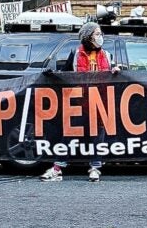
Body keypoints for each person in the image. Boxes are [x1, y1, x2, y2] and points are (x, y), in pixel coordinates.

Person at [40, 22, 120, 182]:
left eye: (100, 33)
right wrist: (51, 74)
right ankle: (57, 169)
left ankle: (95, 168)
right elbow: (65, 74)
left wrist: (116, 71)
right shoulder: (76, 54)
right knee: (70, 135)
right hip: (79, 103)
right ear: (88, 37)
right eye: (97, 34)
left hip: (99, 103)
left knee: (98, 137)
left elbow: (114, 72)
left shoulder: (106, 55)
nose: (100, 37)